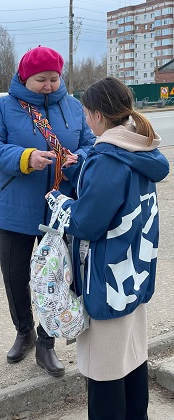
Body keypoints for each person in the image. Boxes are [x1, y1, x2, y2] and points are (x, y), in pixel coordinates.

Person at [45, 77, 169, 417]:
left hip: (106, 279)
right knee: (132, 359)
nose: (85, 120)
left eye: (86, 113)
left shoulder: (107, 160)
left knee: (105, 371)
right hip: (134, 273)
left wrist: (59, 201)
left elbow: (87, 222)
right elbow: (117, 195)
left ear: (98, 115)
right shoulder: (139, 150)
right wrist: (82, 170)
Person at [0, 46, 95, 377]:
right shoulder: (5, 108)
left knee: (58, 279)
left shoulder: (73, 107)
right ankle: (24, 331)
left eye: (53, 79)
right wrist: (24, 157)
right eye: (40, 79)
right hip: (16, 208)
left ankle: (47, 343)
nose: (48, 85)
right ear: (23, 77)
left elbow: (90, 144)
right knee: (15, 277)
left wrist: (79, 159)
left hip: (61, 208)